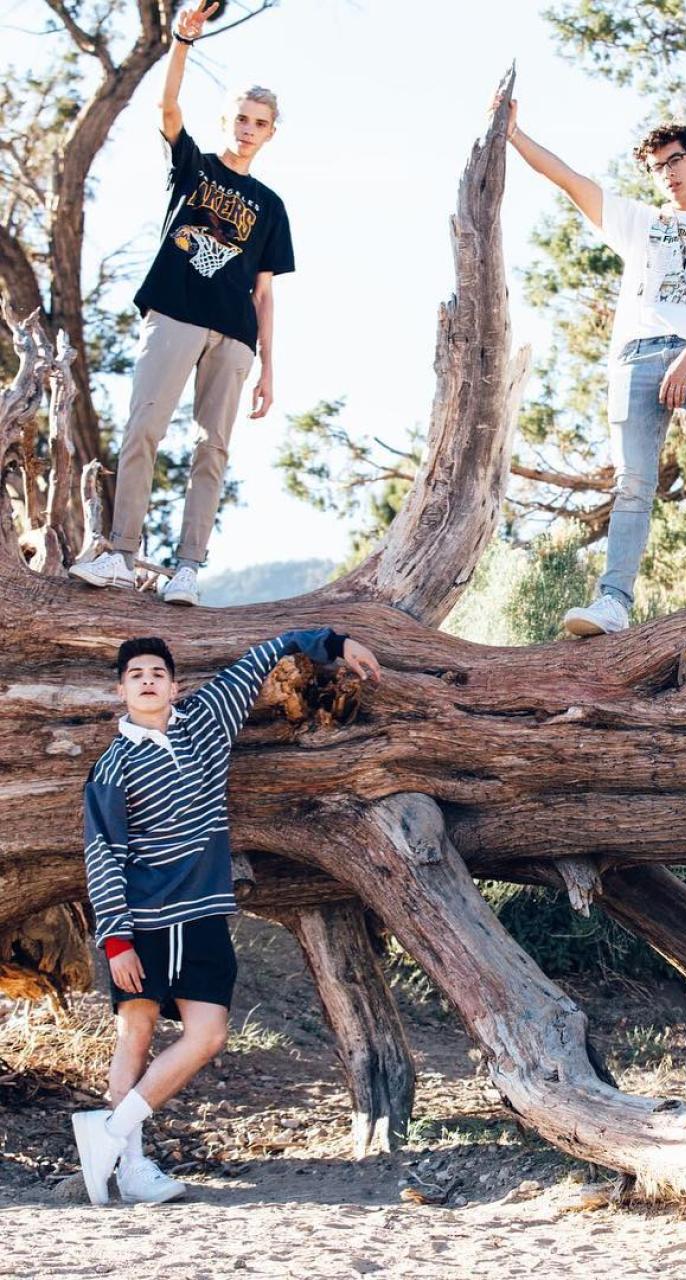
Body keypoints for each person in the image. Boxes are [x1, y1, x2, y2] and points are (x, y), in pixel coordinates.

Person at [73, 627, 381, 1205]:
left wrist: (337, 644)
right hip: (143, 920)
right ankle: (131, 1167)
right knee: (135, 1033)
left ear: (175, 686)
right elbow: (103, 853)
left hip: (201, 914)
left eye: (157, 674)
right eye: (136, 675)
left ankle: (108, 1135)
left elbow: (267, 653)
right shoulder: (112, 769)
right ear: (121, 690)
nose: (147, 681)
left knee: (208, 1035)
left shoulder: (207, 719)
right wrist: (116, 939)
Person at [504, 104, 686, 636]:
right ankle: (612, 602)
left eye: (675, 161)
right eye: (657, 168)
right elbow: (569, 180)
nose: (667, 174)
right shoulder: (641, 223)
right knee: (632, 480)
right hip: (636, 357)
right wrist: (515, 134)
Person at [71, 2, 294, 607]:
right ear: (227, 120)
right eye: (241, 118)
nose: (248, 129)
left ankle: (188, 569)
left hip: (234, 336)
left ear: (271, 133)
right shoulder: (194, 168)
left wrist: (269, 368)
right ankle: (121, 556)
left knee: (211, 449)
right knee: (143, 428)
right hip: (174, 314)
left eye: (259, 123)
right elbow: (167, 108)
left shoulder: (271, 206)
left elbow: (265, 292)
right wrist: (181, 42)